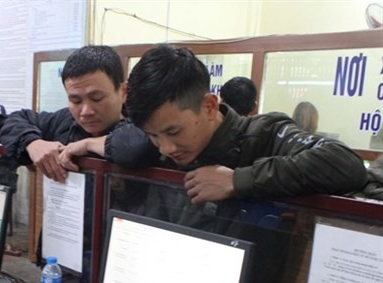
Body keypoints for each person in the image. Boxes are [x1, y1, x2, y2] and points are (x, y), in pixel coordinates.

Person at [110, 44, 367, 203]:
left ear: (210, 106)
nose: (165, 148)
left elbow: (345, 164)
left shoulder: (265, 134)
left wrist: (238, 181)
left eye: (174, 131)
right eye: (153, 136)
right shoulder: (163, 143)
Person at [0, 45, 130, 183]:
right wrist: (32, 142)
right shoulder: (64, 120)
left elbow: (139, 145)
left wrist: (87, 144)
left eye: (96, 98)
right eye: (76, 100)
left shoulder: (142, 126)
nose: (86, 112)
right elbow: (14, 120)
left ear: (123, 92)